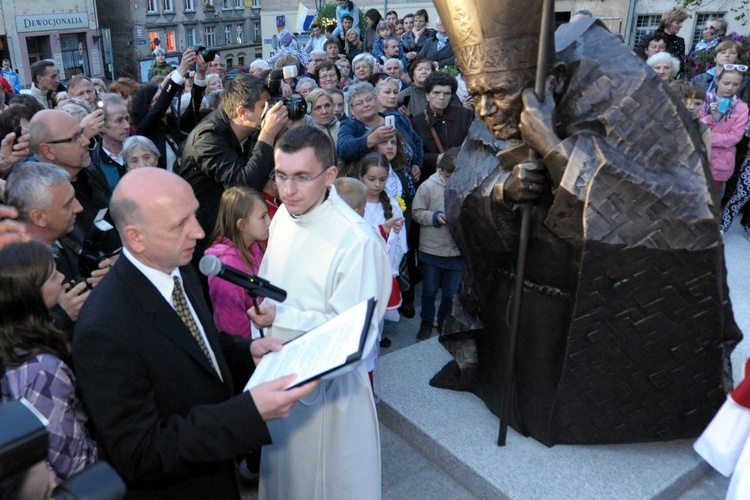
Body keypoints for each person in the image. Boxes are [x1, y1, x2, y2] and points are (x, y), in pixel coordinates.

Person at [430, 1, 739, 445]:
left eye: (497, 93)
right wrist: (502, 191)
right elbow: (464, 187)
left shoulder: (627, 94)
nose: (485, 110)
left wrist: (555, 150)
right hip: (511, 293)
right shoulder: (490, 116)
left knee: (552, 400)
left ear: (549, 83)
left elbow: (674, 216)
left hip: (582, 307)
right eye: (475, 94)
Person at [72, 167, 318, 497]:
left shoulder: (180, 269)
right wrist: (247, 413)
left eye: (195, 215)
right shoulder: (104, 328)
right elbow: (140, 453)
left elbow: (197, 345)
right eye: (179, 224)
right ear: (135, 237)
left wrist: (245, 352)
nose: (199, 232)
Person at [247, 125, 390, 499]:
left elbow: (354, 338)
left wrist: (281, 318)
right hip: (280, 385)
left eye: (301, 177)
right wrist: (262, 316)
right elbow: (269, 288)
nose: (287, 190)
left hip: (330, 402)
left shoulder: (356, 241)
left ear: (329, 177)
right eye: (280, 176)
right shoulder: (282, 217)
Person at [0, 240, 98, 481]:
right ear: (32, 292)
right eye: (53, 275)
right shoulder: (43, 370)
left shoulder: (11, 341)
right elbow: (70, 461)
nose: (63, 276)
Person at [177, 74, 287, 264]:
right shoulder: (207, 139)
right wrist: (268, 134)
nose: (271, 112)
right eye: (265, 106)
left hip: (230, 231)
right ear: (243, 112)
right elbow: (244, 186)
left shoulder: (243, 128)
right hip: (206, 240)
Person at [412, 147, 464, 341]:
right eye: (448, 175)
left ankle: (443, 320)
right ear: (441, 170)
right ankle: (426, 321)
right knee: (429, 291)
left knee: (450, 294)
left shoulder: (465, 184)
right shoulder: (428, 186)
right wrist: (434, 216)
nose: (451, 179)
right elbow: (416, 212)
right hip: (432, 249)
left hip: (457, 251)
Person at [206, 186, 269, 339]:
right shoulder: (226, 268)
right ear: (242, 225)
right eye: (262, 217)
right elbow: (232, 326)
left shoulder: (256, 248)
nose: (270, 221)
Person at [337, 82, 423, 180]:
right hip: (373, 186)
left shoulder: (397, 118)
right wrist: (372, 139)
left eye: (369, 99)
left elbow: (417, 141)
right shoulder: (349, 125)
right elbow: (343, 148)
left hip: (407, 182)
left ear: (377, 100)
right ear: (352, 109)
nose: (366, 105)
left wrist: (416, 164)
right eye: (359, 103)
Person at [359, 152, 406, 326]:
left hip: (383, 267)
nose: (377, 184)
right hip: (361, 269)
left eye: (382, 179)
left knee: (379, 315)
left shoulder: (392, 206)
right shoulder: (354, 204)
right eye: (371, 179)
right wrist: (382, 230)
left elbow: (400, 245)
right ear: (361, 177)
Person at [410, 71, 473, 179]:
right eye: (436, 93)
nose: (441, 97)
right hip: (433, 178)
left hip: (463, 175)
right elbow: (415, 155)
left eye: (446, 93)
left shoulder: (464, 115)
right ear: (427, 95)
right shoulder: (417, 121)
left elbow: (473, 145)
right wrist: (438, 159)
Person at [700, 65, 749, 197]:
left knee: (711, 202)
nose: (730, 88)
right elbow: (694, 126)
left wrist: (706, 137)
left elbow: (734, 137)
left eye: (735, 84)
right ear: (717, 80)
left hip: (720, 164)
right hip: (698, 160)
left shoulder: (741, 108)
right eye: (726, 83)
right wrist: (712, 118)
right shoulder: (703, 100)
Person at [635, 7, 688, 72]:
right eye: (677, 23)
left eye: (681, 22)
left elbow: (680, 65)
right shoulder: (649, 38)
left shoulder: (680, 41)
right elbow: (639, 60)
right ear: (668, 22)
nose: (681, 25)